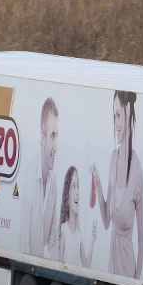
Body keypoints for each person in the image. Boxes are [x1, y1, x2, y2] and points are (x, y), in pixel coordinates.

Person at [91, 90, 143, 279]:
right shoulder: (113, 158)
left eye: (118, 115)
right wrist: (97, 181)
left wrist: (137, 281)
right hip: (111, 268)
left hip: (128, 270)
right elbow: (106, 221)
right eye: (114, 116)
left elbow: (141, 242)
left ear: (128, 110)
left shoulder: (137, 170)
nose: (115, 124)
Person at [19, 97, 59, 259]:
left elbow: (53, 239)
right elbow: (24, 243)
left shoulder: (53, 182)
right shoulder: (30, 176)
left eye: (57, 136)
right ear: (43, 137)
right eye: (52, 136)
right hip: (28, 263)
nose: (56, 146)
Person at [59, 166, 97, 268]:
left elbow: (86, 266)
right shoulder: (64, 230)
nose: (77, 192)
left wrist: (92, 241)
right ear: (67, 195)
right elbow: (58, 266)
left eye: (78, 186)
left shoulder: (78, 233)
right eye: (73, 186)